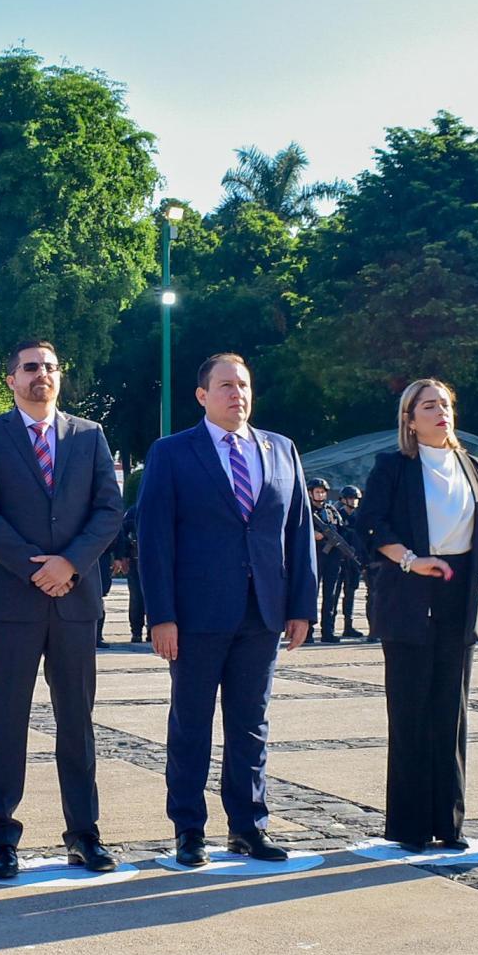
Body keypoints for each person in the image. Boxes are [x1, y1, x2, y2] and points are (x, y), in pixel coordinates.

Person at [136, 352, 315, 866]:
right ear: (202, 395)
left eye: (243, 385)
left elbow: (299, 530)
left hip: (263, 613)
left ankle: (249, 826)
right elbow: (154, 539)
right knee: (191, 725)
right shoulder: (172, 453)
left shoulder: (281, 449)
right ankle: (189, 829)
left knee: (251, 725)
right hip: (196, 616)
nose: (237, 394)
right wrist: (161, 615)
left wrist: (302, 606)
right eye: (225, 386)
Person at [0, 339, 124, 878]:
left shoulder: (89, 435)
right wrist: (35, 567)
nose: (42, 375)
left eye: (50, 367)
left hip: (75, 599)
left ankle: (84, 834)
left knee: (77, 720)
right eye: (30, 368)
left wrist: (69, 563)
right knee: (7, 718)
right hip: (14, 600)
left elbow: (108, 510)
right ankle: (2, 837)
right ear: (11, 379)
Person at [352, 379, 478, 851]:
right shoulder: (394, 466)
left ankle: (449, 822)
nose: (440, 412)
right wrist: (410, 559)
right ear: (410, 419)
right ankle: (411, 826)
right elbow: (370, 524)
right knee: (410, 709)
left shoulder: (475, 467)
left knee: (450, 710)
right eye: (428, 406)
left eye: (445, 404)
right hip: (408, 591)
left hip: (458, 593)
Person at [306, 477, 346, 644]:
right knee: (310, 594)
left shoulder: (332, 511)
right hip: (313, 557)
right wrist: (312, 534)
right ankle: (307, 631)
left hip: (332, 558)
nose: (321, 495)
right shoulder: (305, 510)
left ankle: (328, 631)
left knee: (331, 595)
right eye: (318, 492)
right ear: (310, 493)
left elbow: (342, 530)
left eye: (323, 492)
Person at [113, 503, 146, 644]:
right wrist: (124, 556)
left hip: (157, 561)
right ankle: (136, 632)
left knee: (156, 597)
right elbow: (122, 534)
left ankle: (152, 630)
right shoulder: (134, 511)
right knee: (137, 598)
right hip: (136, 560)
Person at [338, 485, 368, 638]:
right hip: (338, 561)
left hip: (354, 560)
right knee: (332, 596)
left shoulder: (360, 518)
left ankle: (348, 626)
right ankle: (327, 629)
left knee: (350, 594)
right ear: (343, 500)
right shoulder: (337, 516)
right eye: (351, 498)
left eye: (356, 498)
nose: (354, 501)